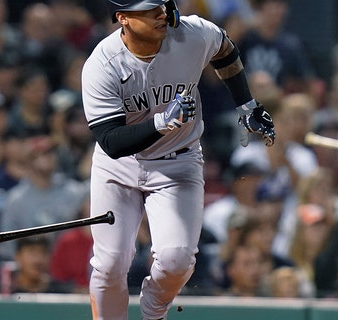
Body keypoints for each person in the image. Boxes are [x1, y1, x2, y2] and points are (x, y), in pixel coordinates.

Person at [82, 1, 276, 319]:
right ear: (122, 18)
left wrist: (246, 104)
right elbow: (111, 142)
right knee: (111, 263)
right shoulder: (103, 64)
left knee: (177, 260)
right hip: (118, 167)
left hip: (178, 161)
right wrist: (160, 122)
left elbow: (224, 49)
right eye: (147, 9)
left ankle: (154, 311)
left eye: (160, 4)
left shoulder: (191, 34)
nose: (159, 13)